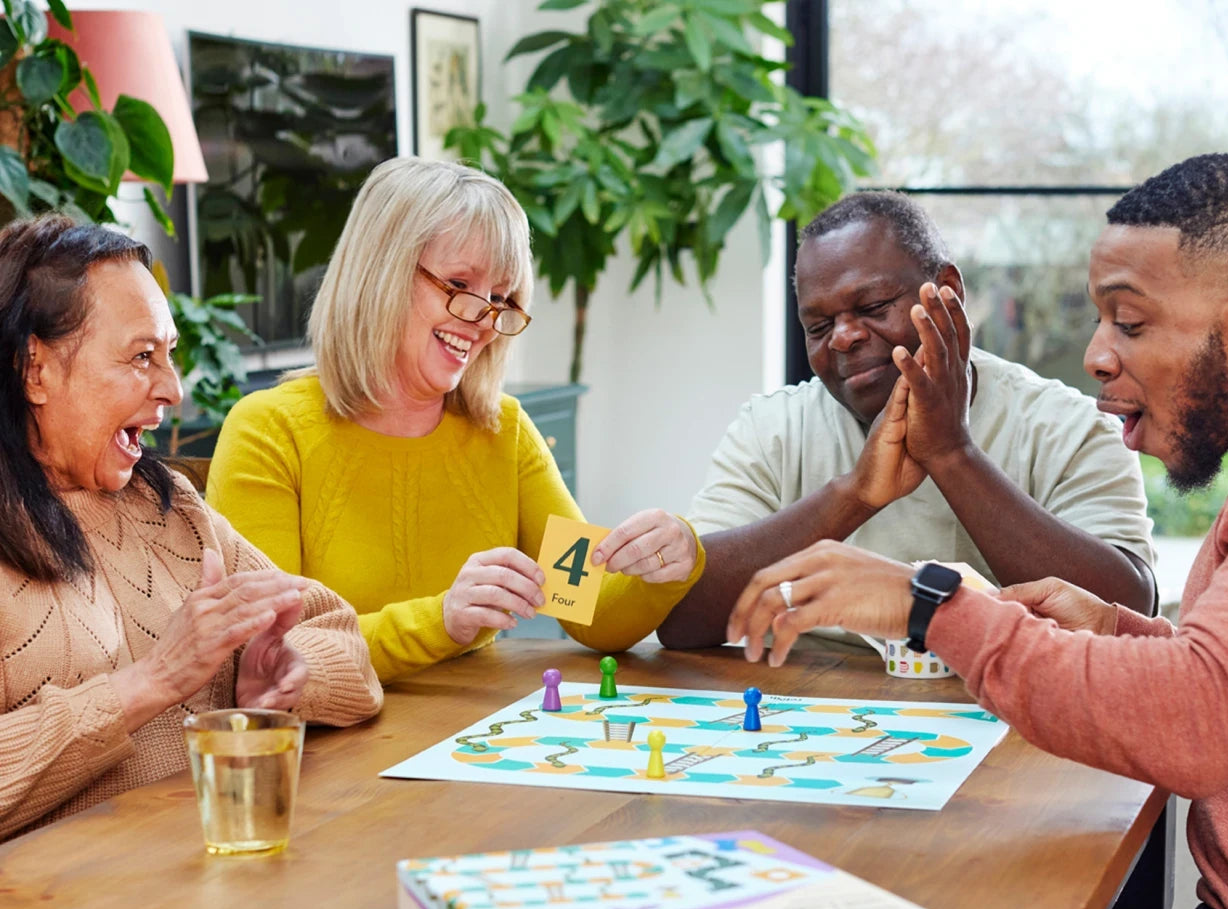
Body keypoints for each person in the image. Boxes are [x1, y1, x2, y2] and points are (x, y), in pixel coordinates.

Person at [726, 154, 1228, 909]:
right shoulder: (774, 421)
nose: (1097, 354)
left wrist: (929, 605)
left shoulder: (1054, 418)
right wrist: (1114, 630)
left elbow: (1199, 720)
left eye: (1131, 322)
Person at [207, 158, 704, 684]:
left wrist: (672, 562)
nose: (482, 321)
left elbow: (590, 607)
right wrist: (441, 620)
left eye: (499, 298)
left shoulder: (503, 431)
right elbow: (269, 656)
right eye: (460, 284)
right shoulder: (268, 430)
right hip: (325, 750)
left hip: (467, 740)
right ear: (382, 272)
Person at [0, 216, 382, 843]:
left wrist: (286, 678)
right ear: (34, 369)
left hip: (211, 883)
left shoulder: (170, 504)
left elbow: (343, 641)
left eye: (169, 355)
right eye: (141, 357)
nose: (172, 389)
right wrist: (152, 682)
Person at [658, 191, 1156, 649]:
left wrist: (951, 452)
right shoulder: (772, 429)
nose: (844, 337)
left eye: (872, 306)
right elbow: (679, 620)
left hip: (1006, 718)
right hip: (818, 706)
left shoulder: (1066, 426)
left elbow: (1127, 618)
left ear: (947, 292)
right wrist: (853, 494)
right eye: (819, 326)